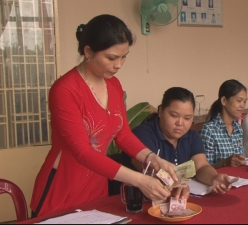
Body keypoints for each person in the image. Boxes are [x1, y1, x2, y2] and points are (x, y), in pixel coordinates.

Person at [30, 14, 178, 217]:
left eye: (124, 56)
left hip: (97, 183)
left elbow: (123, 134)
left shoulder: (114, 85)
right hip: (64, 186)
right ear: (88, 52)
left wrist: (153, 158)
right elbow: (82, 151)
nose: (119, 65)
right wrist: (140, 180)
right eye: (111, 58)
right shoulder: (65, 90)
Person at [120, 87, 235, 199]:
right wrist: (176, 184)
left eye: (187, 118)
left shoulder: (191, 136)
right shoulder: (143, 134)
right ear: (160, 111)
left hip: (176, 198)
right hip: (135, 200)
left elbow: (201, 166)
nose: (180, 123)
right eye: (174, 116)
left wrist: (214, 178)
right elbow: (150, 170)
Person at [199, 80, 247, 168]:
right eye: (239, 100)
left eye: (244, 101)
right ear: (224, 100)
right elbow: (203, 168)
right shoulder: (209, 130)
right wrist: (225, 163)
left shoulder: (238, 128)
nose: (243, 105)